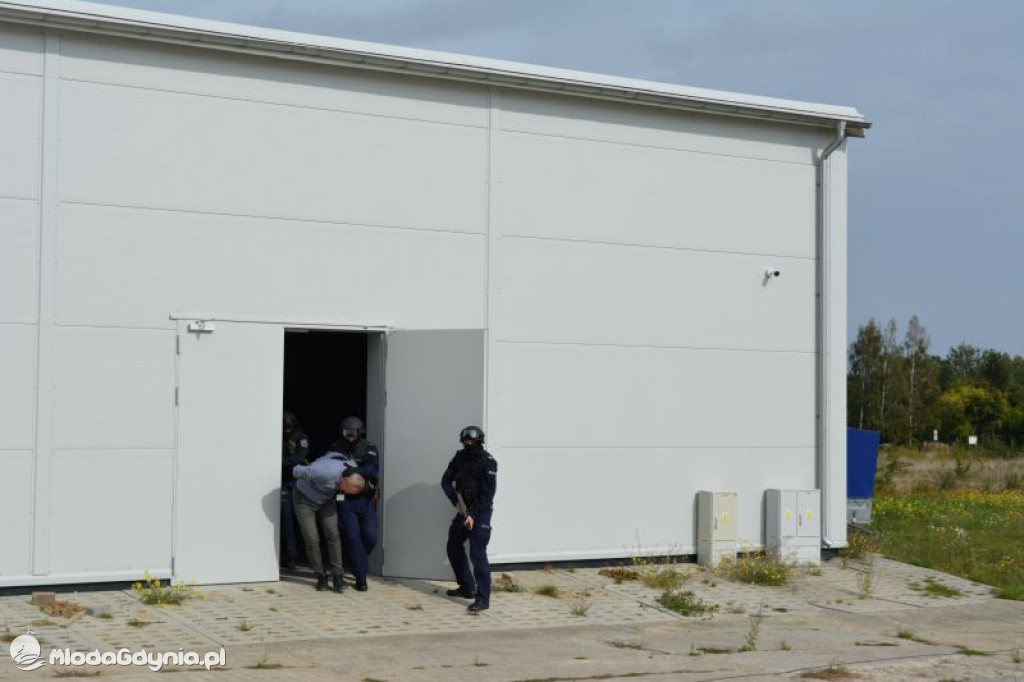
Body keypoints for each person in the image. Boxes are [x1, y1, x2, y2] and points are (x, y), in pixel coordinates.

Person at [441, 425, 497, 613]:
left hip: (481, 512)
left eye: (471, 441)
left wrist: (473, 515)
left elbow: (487, 494)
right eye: (465, 440)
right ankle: (467, 587)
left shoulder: (488, 462)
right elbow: (445, 481)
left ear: (479, 441)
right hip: (463, 509)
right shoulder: (459, 457)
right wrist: (455, 503)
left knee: (477, 553)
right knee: (453, 545)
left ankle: (482, 599)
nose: (468, 443)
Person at [292, 455, 365, 592]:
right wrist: (314, 467)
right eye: (347, 490)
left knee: (333, 534)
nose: (345, 493)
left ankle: (338, 575)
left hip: (326, 500)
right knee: (312, 537)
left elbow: (334, 455)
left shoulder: (352, 469)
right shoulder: (324, 472)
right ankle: (320, 575)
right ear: (344, 480)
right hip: (304, 499)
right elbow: (296, 470)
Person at [328, 416, 380, 592]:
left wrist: (354, 470)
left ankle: (359, 558)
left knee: (370, 535)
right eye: (347, 433)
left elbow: (372, 469)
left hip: (365, 499)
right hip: (346, 500)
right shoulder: (336, 447)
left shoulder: (369, 447)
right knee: (353, 536)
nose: (350, 437)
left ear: (360, 432)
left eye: (353, 434)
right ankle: (360, 576)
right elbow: (330, 467)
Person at [280, 411, 309, 570]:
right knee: (286, 521)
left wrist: (280, 461)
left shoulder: (300, 437)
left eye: (289, 428)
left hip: (295, 482)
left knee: (296, 521)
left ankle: (293, 557)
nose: (286, 431)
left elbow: (299, 457)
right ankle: (288, 557)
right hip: (281, 482)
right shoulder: (273, 433)